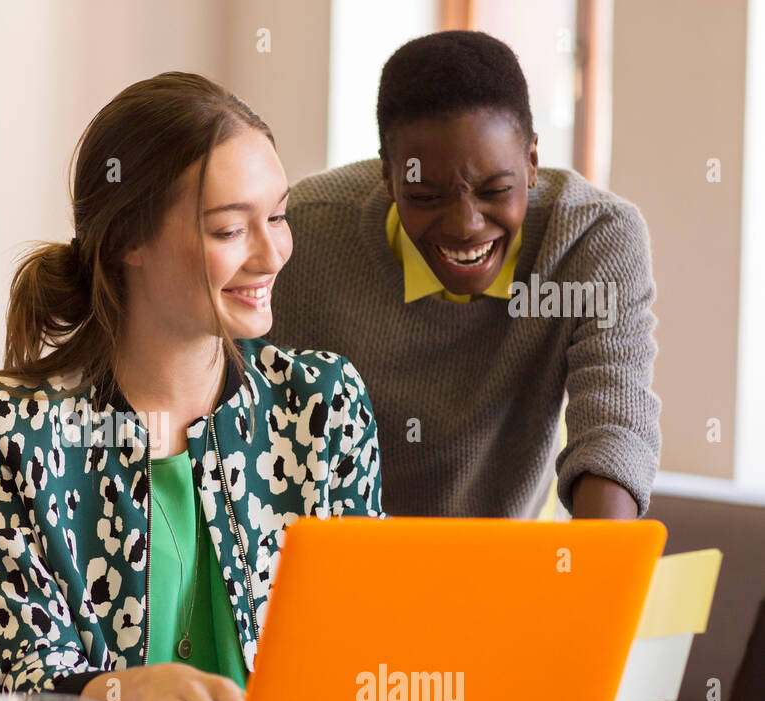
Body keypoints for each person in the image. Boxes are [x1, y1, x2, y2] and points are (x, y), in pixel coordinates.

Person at [0, 72, 382, 701]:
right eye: (231, 229)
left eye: (278, 216)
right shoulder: (8, 426)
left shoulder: (322, 406)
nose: (271, 254)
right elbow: (21, 685)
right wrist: (132, 690)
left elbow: (365, 650)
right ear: (128, 240)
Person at [272, 30, 661, 521]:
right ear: (388, 178)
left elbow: (614, 427)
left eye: (496, 189)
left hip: (498, 567)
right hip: (328, 559)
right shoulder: (304, 230)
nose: (465, 225)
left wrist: (598, 577)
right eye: (427, 197)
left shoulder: (590, 238)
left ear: (532, 162)